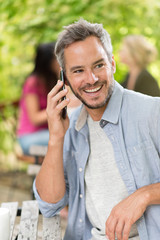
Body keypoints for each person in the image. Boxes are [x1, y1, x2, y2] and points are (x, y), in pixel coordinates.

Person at [33, 19, 160, 240]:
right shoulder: (72, 127)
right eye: (78, 71)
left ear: (112, 64)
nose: (91, 79)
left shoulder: (152, 112)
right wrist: (56, 137)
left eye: (98, 65)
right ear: (65, 79)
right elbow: (49, 205)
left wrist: (145, 195)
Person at [17, 42, 59, 155]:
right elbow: (34, 118)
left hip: (47, 133)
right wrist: (60, 108)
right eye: (57, 59)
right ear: (47, 62)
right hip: (29, 137)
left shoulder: (52, 81)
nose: (60, 62)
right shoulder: (33, 82)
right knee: (67, 137)